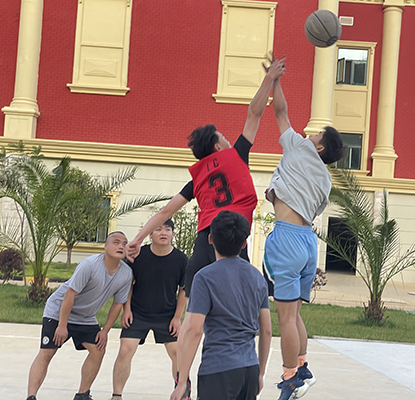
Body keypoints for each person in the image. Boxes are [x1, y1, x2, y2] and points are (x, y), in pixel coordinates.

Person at [125, 55, 286, 300]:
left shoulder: (198, 178)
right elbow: (254, 114)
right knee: (237, 301)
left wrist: (137, 239)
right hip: (232, 237)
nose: (228, 138)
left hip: (206, 240)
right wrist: (269, 79)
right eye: (223, 136)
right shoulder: (237, 155)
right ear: (218, 147)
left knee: (196, 301)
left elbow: (165, 211)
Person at [262, 66, 344, 400]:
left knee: (284, 318)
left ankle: (290, 378)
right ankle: (303, 366)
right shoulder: (325, 180)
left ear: (319, 148)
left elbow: (280, 111)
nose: (310, 134)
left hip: (287, 239)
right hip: (308, 242)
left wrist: (275, 79)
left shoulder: (299, 147)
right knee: (294, 314)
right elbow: (310, 210)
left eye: (316, 134)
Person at [171, 210, 271, 400]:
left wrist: (182, 380)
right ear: (244, 243)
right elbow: (266, 329)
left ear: (210, 239)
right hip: (249, 369)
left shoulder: (204, 277)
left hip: (218, 369)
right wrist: (260, 373)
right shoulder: (257, 277)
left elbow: (194, 330)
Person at [26, 232, 133, 400]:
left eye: (125, 243)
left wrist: (105, 331)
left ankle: (82, 395)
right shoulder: (89, 265)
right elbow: (69, 295)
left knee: (98, 350)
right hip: (58, 311)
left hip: (85, 317)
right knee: (47, 352)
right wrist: (62, 326)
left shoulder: (126, 273)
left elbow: (118, 304)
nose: (121, 246)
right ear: (105, 246)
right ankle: (31, 396)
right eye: (116, 242)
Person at [110, 219, 188, 400]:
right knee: (125, 350)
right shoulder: (138, 255)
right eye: (158, 229)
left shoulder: (181, 259)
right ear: (150, 234)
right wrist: (127, 309)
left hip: (167, 315)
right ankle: (116, 395)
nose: (163, 233)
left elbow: (184, 290)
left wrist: (177, 317)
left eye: (167, 229)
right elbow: (128, 283)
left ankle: (182, 393)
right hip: (138, 313)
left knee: (178, 353)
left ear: (172, 234)